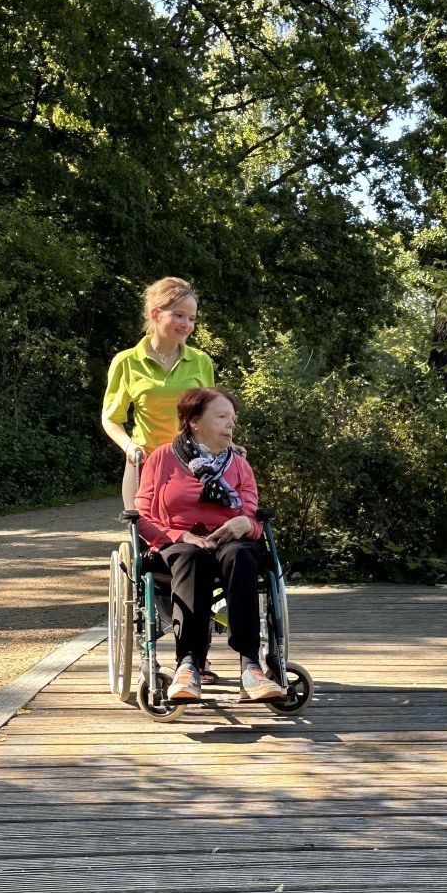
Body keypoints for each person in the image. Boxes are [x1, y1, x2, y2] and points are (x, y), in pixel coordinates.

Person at [135, 386, 285, 703]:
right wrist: (179, 536)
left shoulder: (240, 466)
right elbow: (143, 516)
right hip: (177, 544)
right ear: (194, 422)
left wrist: (247, 524)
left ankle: (251, 665)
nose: (231, 424)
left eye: (233, 418)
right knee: (191, 556)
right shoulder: (162, 459)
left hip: (229, 542)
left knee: (241, 552)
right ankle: (188, 664)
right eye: (221, 417)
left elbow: (252, 517)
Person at [101, 277, 215, 511]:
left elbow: (212, 416)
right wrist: (129, 447)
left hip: (193, 463)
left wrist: (228, 445)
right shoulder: (126, 361)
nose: (187, 324)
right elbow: (111, 418)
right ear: (155, 314)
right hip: (144, 464)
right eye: (179, 315)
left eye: (191, 318)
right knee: (142, 533)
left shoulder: (201, 361)